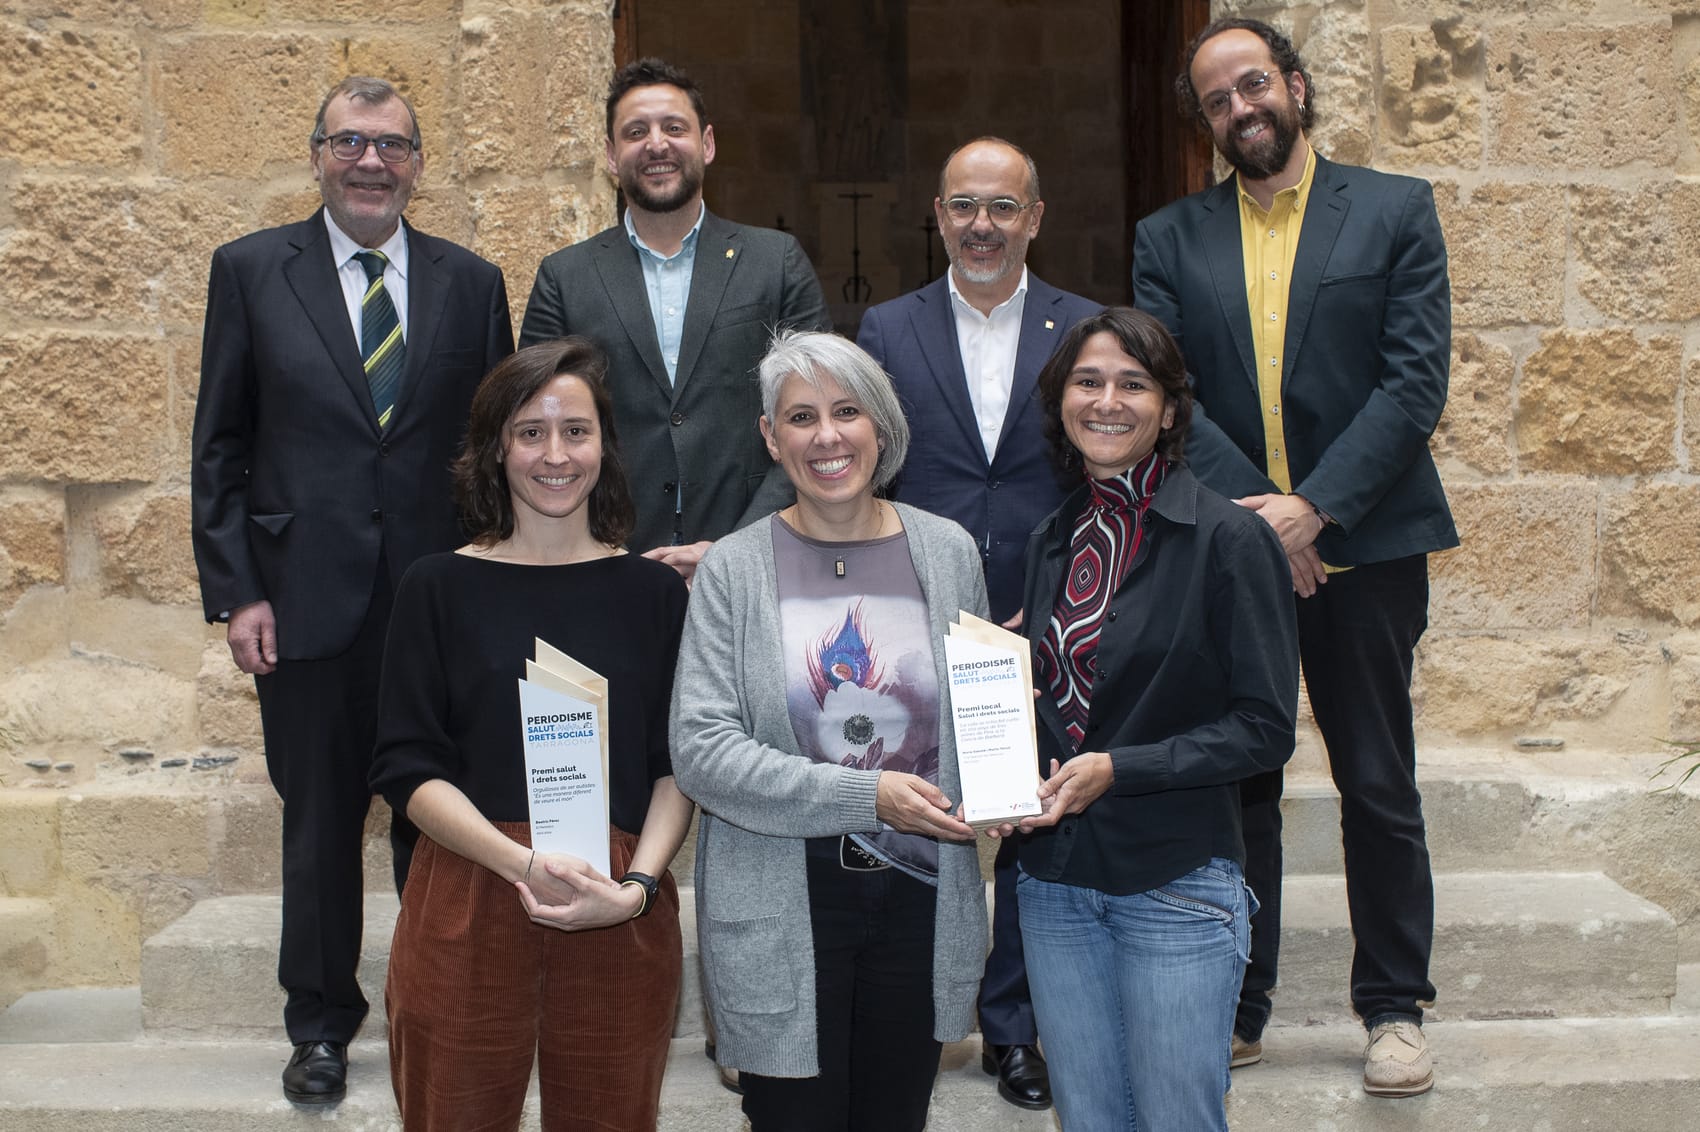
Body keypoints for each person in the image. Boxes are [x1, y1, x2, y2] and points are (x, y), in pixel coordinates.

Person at [1134, 16, 1457, 1097]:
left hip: (1366, 547)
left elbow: (1412, 383)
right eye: (1217, 99)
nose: (1241, 108)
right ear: (1205, 122)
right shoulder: (1168, 238)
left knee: (1377, 781)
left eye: (1253, 84)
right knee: (1240, 787)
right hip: (1233, 559)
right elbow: (1167, 391)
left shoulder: (1394, 210)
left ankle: (1394, 1007)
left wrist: (1312, 512)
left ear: (1296, 86)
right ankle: (1239, 1003)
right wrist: (1262, 525)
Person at [190, 75, 513, 1105]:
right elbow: (220, 446)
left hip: (439, 606)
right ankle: (321, 1025)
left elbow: (494, 452)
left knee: (443, 820)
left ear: (418, 164)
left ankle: (441, 1006)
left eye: (391, 145)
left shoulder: (473, 283)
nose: (371, 162)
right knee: (321, 826)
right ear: (318, 155)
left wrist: (499, 584)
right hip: (303, 604)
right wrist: (238, 592)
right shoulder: (250, 271)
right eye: (350, 142)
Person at [670, 330, 990, 1131]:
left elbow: (978, 719)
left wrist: (1005, 773)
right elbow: (702, 751)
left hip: (922, 896)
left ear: (881, 425)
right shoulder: (733, 568)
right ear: (771, 437)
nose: (826, 436)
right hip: (782, 896)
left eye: (847, 411)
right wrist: (867, 795)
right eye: (801, 417)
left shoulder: (948, 552)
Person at [369, 338, 692, 1130]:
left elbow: (676, 766)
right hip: (472, 884)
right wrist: (521, 863)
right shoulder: (436, 587)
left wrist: (637, 889)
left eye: (576, 431)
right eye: (530, 432)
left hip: (617, 894)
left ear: (604, 447)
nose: (555, 454)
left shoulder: (654, 594)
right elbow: (407, 765)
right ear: (495, 448)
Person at [988, 306, 1297, 1131]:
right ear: (1060, 401)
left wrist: (1120, 770)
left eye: (1133, 384)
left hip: (1176, 881)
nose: (1107, 401)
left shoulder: (1231, 539)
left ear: (1168, 408)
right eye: (1087, 381)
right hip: (1054, 884)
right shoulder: (1052, 539)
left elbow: (1266, 729)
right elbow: (1065, 708)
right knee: (1089, 1120)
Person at [856, 135, 1101, 1112]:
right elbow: (870, 470)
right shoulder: (888, 326)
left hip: (1053, 613)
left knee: (1033, 820)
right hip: (926, 605)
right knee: (933, 811)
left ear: (1034, 218)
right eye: (963, 206)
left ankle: (1014, 1027)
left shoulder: (1083, 327)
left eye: (1002, 207)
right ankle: (919, 1009)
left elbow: (1098, 465)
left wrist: (1060, 593)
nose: (981, 225)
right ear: (938, 215)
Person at [519, 57, 831, 584]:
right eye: (636, 132)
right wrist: (601, 548)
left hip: (757, 559)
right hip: (609, 563)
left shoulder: (775, 262)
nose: (656, 144)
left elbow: (817, 417)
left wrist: (737, 549)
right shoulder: (564, 278)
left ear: (706, 143)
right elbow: (534, 429)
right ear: (611, 155)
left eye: (674, 127)